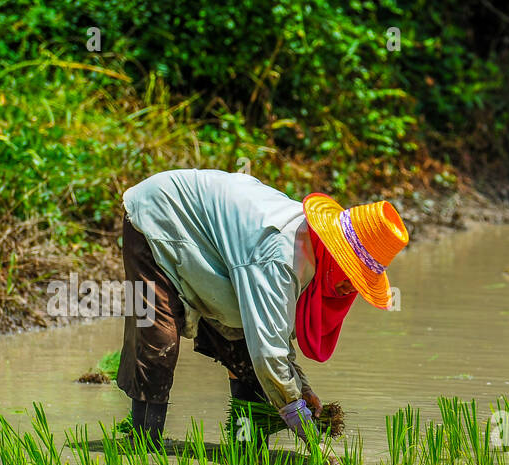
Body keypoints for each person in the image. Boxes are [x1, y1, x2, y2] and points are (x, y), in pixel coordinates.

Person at [115, 168, 409, 446]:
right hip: (160, 213)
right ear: (336, 254)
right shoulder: (280, 256)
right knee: (159, 336)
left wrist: (302, 388)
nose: (351, 288)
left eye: (361, 282)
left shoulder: (309, 253)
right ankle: (143, 442)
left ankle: (245, 444)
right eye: (352, 274)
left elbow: (271, 333)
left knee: (244, 347)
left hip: (215, 246)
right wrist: (297, 414)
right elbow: (269, 352)